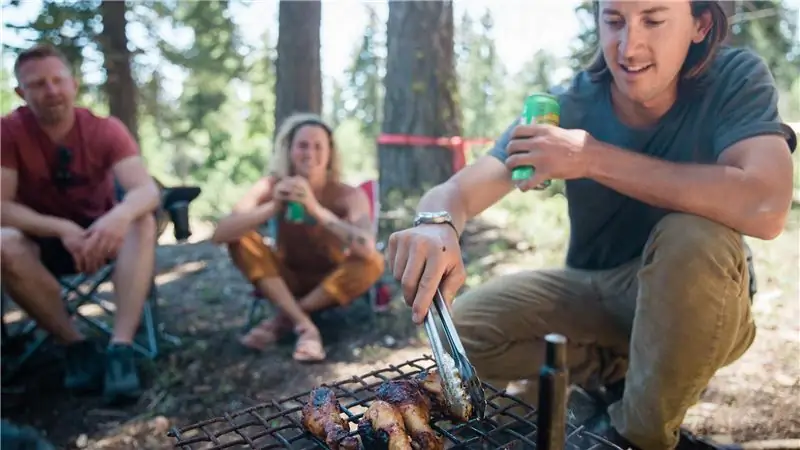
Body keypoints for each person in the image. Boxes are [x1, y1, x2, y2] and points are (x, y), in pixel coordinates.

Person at [386, 2, 796, 450]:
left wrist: (591, 158)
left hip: (703, 298)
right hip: (595, 291)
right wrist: (435, 223)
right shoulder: (569, 104)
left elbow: (766, 204)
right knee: (466, 331)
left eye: (653, 20)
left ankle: (635, 437)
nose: (629, 45)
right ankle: (607, 380)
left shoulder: (734, 78)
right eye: (614, 20)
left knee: (694, 237)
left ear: (700, 24)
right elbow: (460, 192)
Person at [1, 44, 161, 403]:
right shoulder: (8, 134)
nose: (51, 90)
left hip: (104, 240)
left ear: (74, 84)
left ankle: (120, 349)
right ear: (20, 92)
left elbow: (146, 190)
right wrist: (60, 228)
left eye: (58, 80)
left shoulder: (105, 130)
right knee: (3, 242)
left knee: (142, 221)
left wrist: (116, 217)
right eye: (38, 83)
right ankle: (75, 345)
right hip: (40, 247)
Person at [212, 113, 384, 362]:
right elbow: (221, 233)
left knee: (373, 262)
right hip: (285, 278)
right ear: (289, 149)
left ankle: (285, 320)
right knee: (242, 238)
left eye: (318, 146)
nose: (310, 153)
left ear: (330, 153)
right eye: (302, 145)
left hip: (330, 280)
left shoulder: (347, 195)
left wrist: (315, 209)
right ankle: (307, 327)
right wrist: (272, 207)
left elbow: (367, 248)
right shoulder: (271, 186)